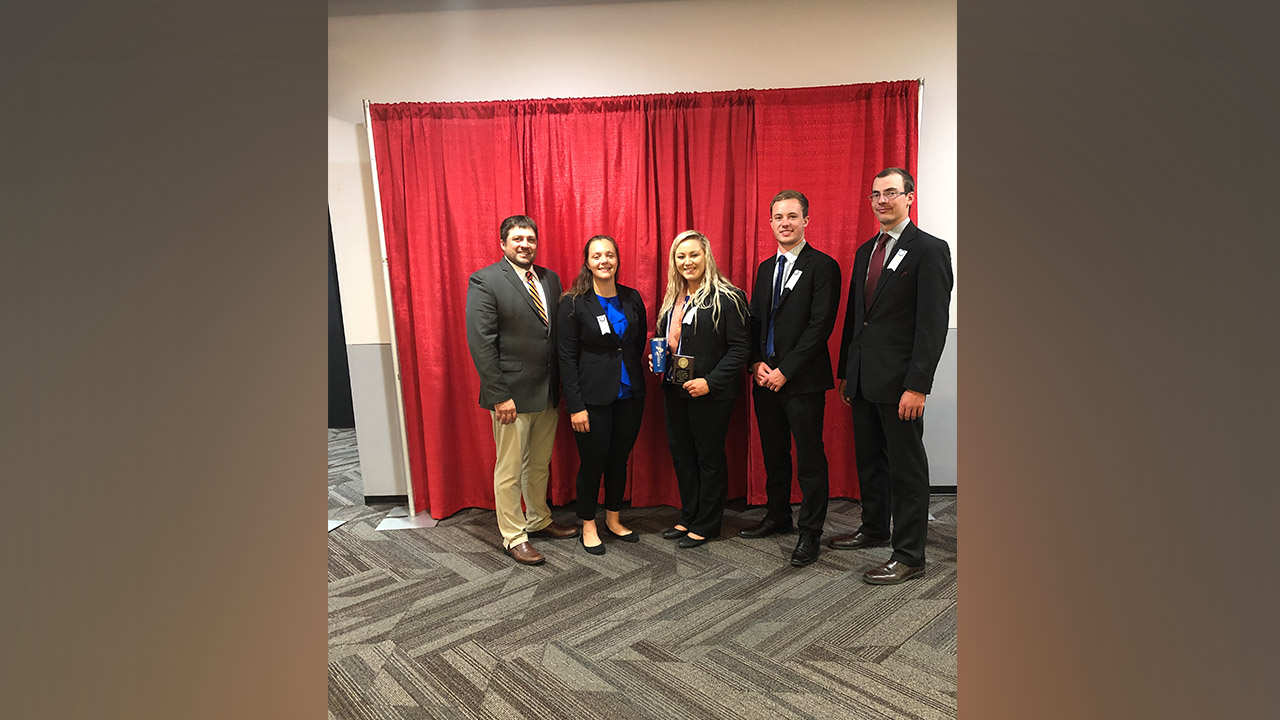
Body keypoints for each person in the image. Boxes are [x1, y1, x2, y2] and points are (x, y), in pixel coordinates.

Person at [830, 168, 953, 585]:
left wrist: (918, 384)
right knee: (870, 461)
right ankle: (874, 527)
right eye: (875, 195)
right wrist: (847, 372)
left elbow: (932, 325)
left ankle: (909, 554)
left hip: (902, 384)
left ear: (909, 197)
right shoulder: (866, 251)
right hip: (864, 380)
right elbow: (856, 318)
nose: (882, 201)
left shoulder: (930, 250)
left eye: (891, 193)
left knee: (907, 468)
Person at [465, 215, 579, 566]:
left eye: (530, 238)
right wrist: (499, 395)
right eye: (517, 238)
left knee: (539, 464)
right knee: (510, 468)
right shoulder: (485, 281)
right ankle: (514, 536)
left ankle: (539, 519)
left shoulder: (550, 278)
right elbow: (482, 343)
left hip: (547, 392)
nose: (524, 244)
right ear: (503, 243)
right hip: (510, 395)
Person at [740, 190, 842, 567]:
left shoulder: (823, 266)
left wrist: (786, 370)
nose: (785, 223)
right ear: (770, 223)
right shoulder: (766, 268)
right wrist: (755, 364)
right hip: (765, 379)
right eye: (778, 217)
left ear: (806, 221)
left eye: (792, 216)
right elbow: (755, 322)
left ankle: (810, 531)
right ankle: (778, 515)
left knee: (810, 457)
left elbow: (820, 328)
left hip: (802, 381)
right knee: (774, 452)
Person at [652, 230, 750, 548]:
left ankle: (708, 523)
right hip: (675, 389)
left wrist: (710, 381)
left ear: (706, 256)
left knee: (708, 457)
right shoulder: (674, 299)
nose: (687, 262)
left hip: (710, 391)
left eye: (693, 254)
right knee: (682, 455)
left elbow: (740, 349)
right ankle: (690, 515)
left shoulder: (728, 297)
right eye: (681, 256)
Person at [556, 235, 648, 555]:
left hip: (630, 394)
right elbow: (566, 358)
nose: (604, 261)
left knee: (619, 460)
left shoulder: (632, 297)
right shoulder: (573, 302)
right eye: (597, 256)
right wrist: (575, 406)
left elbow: (635, 347)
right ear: (587, 262)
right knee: (593, 462)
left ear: (618, 260)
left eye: (609, 255)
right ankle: (588, 523)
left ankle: (613, 518)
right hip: (592, 399)